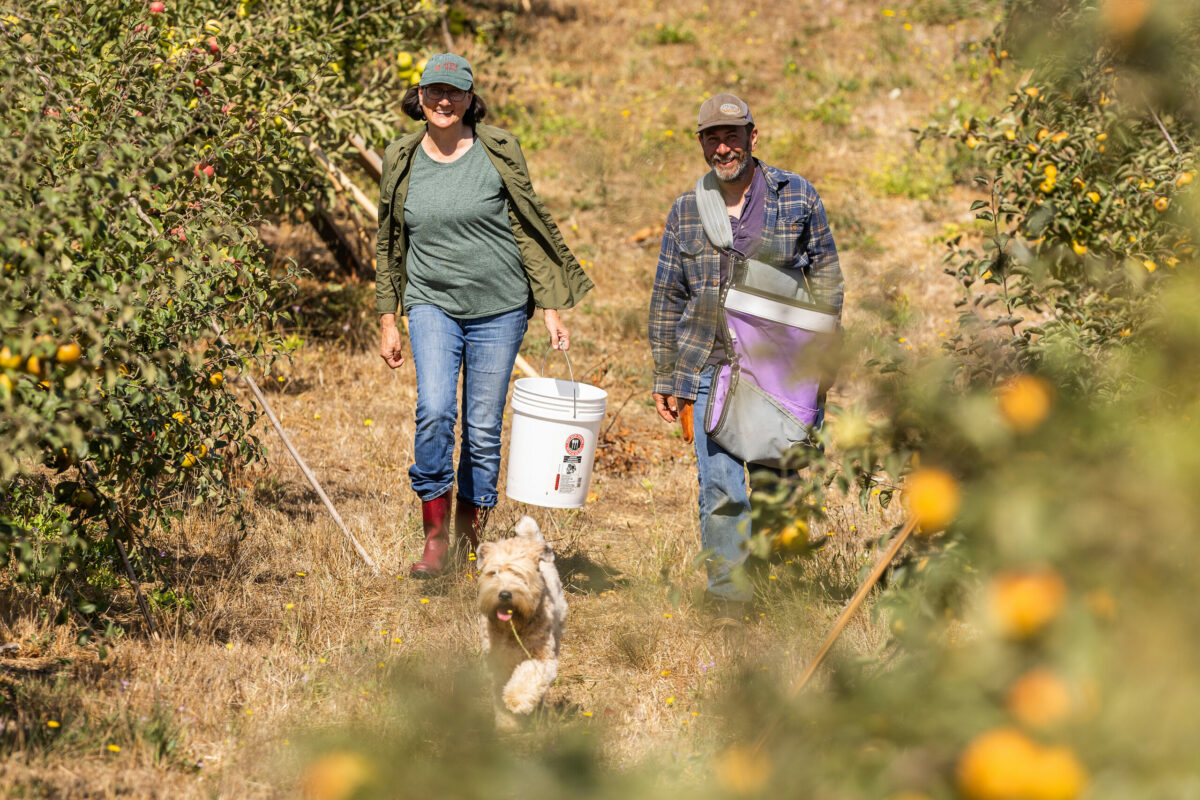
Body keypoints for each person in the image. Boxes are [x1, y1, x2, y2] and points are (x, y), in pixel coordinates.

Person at [375, 53, 593, 577]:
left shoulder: (498, 150)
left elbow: (528, 226)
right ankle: (435, 543)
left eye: (455, 92)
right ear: (420, 96)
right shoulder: (401, 156)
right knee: (433, 412)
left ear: (471, 99)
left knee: (481, 427)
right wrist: (388, 317)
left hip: (501, 307)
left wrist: (551, 308)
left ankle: (470, 541)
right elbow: (388, 241)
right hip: (432, 302)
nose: (444, 101)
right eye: (434, 92)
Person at [648, 93, 843, 608]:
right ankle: (728, 601)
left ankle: (780, 589)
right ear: (702, 144)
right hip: (710, 366)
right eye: (713, 137)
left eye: (732, 136)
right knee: (721, 489)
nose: (723, 147)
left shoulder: (797, 195)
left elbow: (826, 274)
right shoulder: (688, 209)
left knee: (778, 482)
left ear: (753, 138)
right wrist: (667, 376)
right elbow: (668, 295)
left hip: (779, 369)